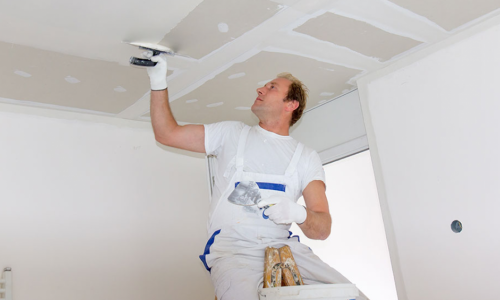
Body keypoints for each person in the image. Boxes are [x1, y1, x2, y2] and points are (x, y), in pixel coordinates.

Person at [146, 53, 368, 300]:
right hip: (234, 252)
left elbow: (322, 229)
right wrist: (158, 82)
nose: (260, 89)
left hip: (286, 249)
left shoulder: (305, 157)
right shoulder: (231, 134)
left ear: (291, 104)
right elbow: (166, 134)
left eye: (271, 87)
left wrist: (298, 213)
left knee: (352, 296)